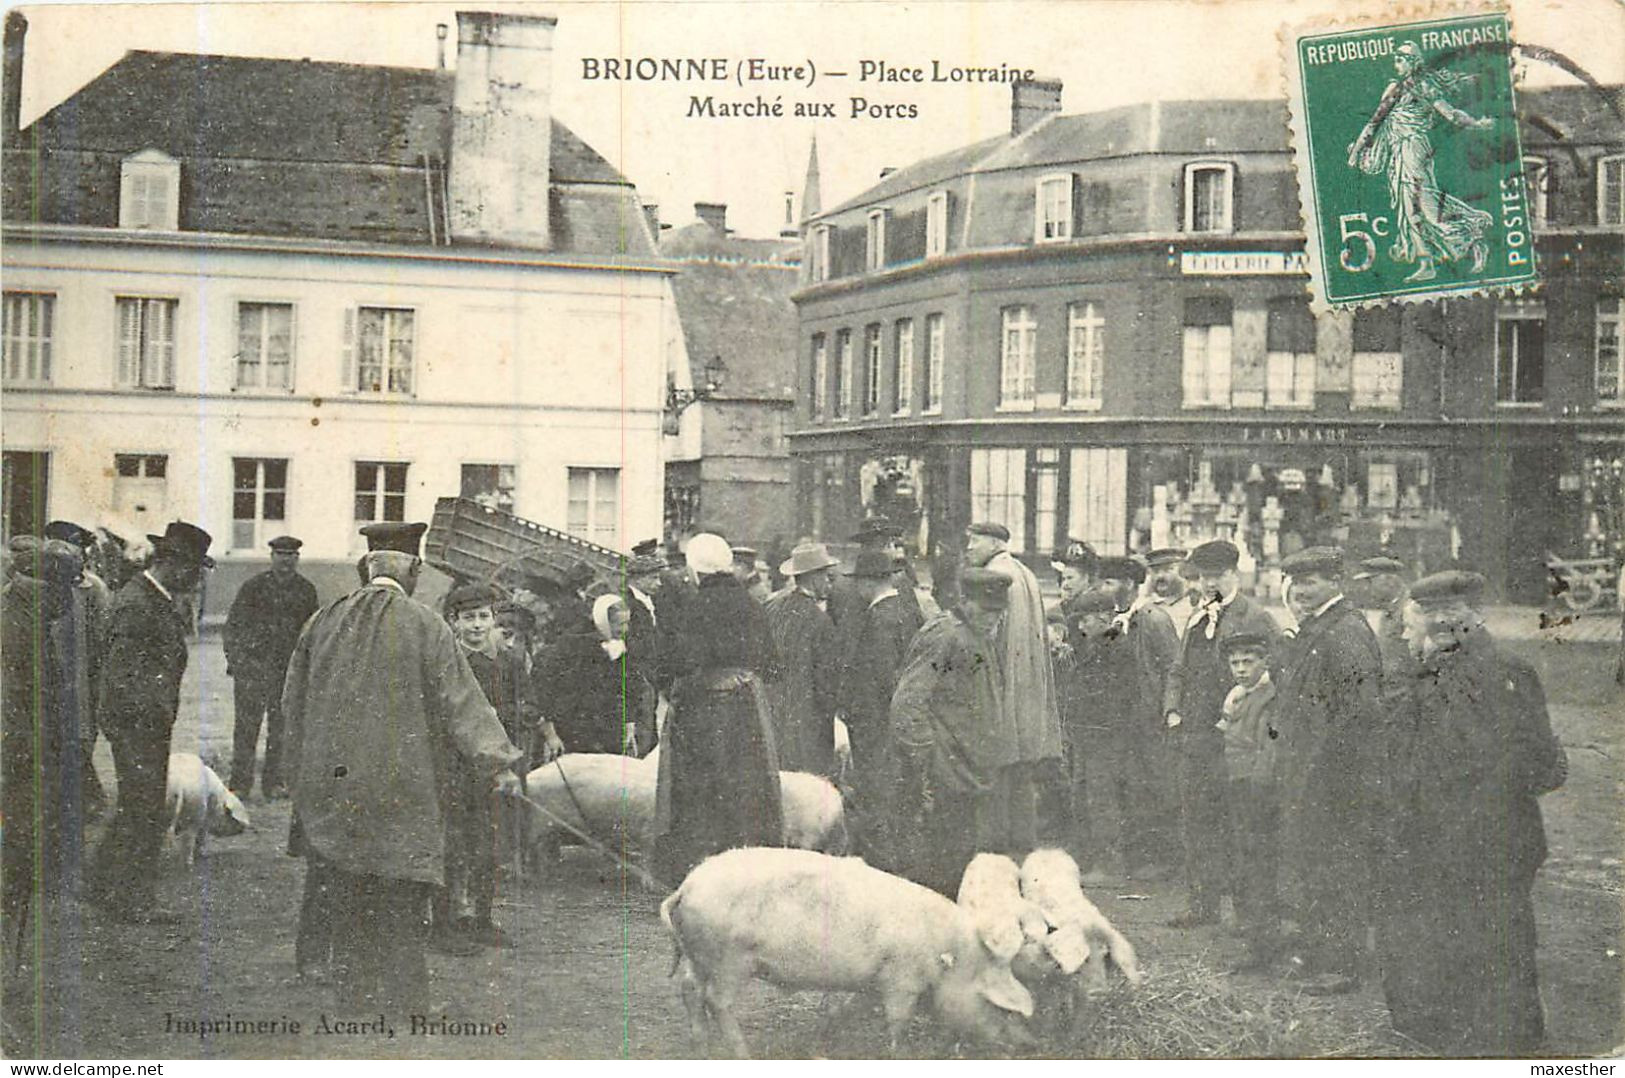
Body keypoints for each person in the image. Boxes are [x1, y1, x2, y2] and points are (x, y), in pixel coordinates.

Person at [281, 522, 522, 1012]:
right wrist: (499, 765)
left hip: (334, 786)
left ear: (366, 567)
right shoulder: (426, 623)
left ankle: (355, 997)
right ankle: (405, 1000)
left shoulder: (322, 620)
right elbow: (463, 703)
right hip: (405, 787)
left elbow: (292, 706)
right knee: (402, 891)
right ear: (412, 568)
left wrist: (301, 781)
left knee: (347, 887)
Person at [1377, 571, 1566, 1055]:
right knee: (1445, 935)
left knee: (1500, 938)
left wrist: (1478, 810)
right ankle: (1456, 1032)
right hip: (1432, 834)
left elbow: (1541, 765)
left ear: (1475, 613)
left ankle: (1512, 1040)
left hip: (1492, 836)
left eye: (1452, 610)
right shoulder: (1420, 671)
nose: (1442, 621)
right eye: (1431, 611)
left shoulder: (1508, 671)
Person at [85, 521, 214, 924]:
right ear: (174, 563)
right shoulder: (139, 603)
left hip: (144, 724)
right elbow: (121, 676)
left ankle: (102, 884)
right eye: (194, 569)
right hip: (138, 725)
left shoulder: (151, 599)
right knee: (144, 810)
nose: (196, 579)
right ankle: (132, 899)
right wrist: (147, 720)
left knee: (137, 807)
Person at [1272, 546, 1383, 995]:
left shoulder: (1345, 632)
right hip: (1310, 774)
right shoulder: (1317, 628)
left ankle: (1345, 963)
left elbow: (1361, 714)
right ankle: (1319, 952)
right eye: (1296, 582)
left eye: (1312, 581)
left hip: (1337, 778)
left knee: (1340, 868)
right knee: (1314, 866)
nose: (1301, 590)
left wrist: (1332, 772)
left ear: (1336, 581)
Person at [652, 534, 783, 886]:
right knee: (747, 785)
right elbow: (772, 664)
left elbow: (676, 661)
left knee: (700, 789)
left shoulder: (695, 607)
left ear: (696, 572)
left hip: (705, 710)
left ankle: (701, 868)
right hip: (747, 710)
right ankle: (748, 867)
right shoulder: (752, 603)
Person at [1161, 540, 1279, 929]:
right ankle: (1202, 904)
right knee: (1196, 820)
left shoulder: (1256, 617)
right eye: (1203, 576)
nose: (1208, 583)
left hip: (1234, 739)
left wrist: (1241, 703)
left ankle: (1247, 915)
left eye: (1216, 575)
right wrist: (1172, 709)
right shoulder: (1196, 617)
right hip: (1194, 735)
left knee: (1237, 823)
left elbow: (1274, 676)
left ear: (1235, 574)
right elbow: (1178, 668)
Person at [889, 568, 1017, 896]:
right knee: (940, 860)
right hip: (946, 767)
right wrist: (926, 757)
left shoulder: (978, 637)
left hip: (972, 767)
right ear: (965, 602)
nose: (993, 619)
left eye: (998, 613)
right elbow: (909, 701)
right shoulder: (945, 636)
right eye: (986, 611)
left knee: (961, 855)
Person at [434, 582, 541, 952]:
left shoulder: (508, 665)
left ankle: (481, 918)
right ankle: (446, 921)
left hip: (498, 770)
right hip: (456, 769)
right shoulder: (447, 664)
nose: (477, 626)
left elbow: (530, 707)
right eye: (468, 619)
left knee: (490, 845)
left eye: (483, 618)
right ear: (454, 622)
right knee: (453, 845)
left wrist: (504, 716)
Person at [1345, 39, 1495, 283]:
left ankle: (1473, 238)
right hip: (1398, 153)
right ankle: (1427, 264)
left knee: (1426, 206)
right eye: (1396, 58)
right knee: (1410, 210)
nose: (1396, 63)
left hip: (1414, 148)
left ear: (1413, 62)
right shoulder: (1394, 88)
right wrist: (1356, 151)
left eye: (1401, 58)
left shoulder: (1424, 86)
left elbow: (1451, 114)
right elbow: (1375, 122)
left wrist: (1476, 124)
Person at [964, 521, 1063, 857]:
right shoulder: (1024, 572)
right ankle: (1024, 847)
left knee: (996, 772)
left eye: (974, 542)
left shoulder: (992, 578)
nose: (969, 548)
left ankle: (995, 852)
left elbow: (991, 638)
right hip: (1027, 691)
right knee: (1021, 774)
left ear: (993, 543)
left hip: (1002, 688)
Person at [1083, 555, 1176, 883]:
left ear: (1130, 585)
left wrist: (1167, 713)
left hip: (1148, 721)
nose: (1103, 589)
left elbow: (1172, 670)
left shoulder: (1152, 619)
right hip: (1123, 721)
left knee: (1150, 787)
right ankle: (1128, 862)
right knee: (1125, 789)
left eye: (1109, 583)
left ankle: (1156, 862)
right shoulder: (1115, 620)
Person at [834, 549, 920, 869]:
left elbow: (882, 678)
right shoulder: (905, 610)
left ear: (868, 583)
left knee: (879, 793)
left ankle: (884, 863)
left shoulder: (879, 618)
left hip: (877, 724)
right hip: (897, 722)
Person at [223, 535, 319, 799]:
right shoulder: (253, 588)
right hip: (253, 670)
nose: (285, 560)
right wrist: (238, 663)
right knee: (245, 728)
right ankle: (240, 784)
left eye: (291, 555)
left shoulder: (305, 591)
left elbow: (311, 633)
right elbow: (233, 628)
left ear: (297, 559)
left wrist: (304, 670)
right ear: (272, 557)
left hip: (286, 673)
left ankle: (274, 782)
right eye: (280, 554)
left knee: (282, 729)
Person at [1213, 632, 1283, 971]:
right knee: (1242, 857)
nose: (1240, 669)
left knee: (1258, 862)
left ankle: (1264, 943)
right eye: (1234, 663)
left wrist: (1259, 787)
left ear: (1265, 662)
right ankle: (1252, 931)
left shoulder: (1270, 697)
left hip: (1256, 789)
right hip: (1236, 783)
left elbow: (1269, 747)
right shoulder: (1238, 695)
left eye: (1248, 662)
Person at [43, 520, 113, 819]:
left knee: (79, 738)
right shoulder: (35, 584)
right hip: (46, 672)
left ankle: (83, 799)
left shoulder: (92, 588)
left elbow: (103, 636)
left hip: (81, 675)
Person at [763, 542, 843, 777]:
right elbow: (826, 682)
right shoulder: (820, 621)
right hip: (807, 718)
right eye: (826, 576)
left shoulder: (773, 607)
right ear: (813, 577)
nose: (829, 582)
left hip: (773, 710)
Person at [536, 593, 633, 756]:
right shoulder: (572, 647)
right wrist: (551, 734)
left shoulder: (618, 647)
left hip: (608, 729)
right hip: (576, 729)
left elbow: (625, 688)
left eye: (627, 623)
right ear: (604, 622)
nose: (625, 630)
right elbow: (549, 691)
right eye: (620, 624)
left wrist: (629, 724)